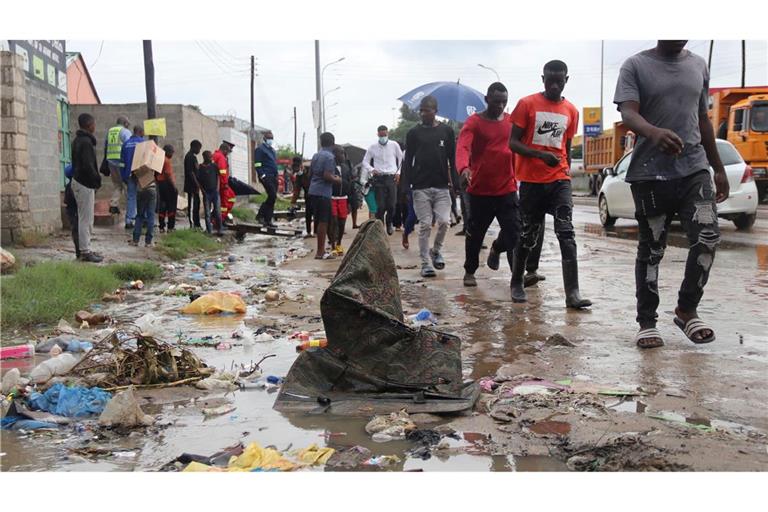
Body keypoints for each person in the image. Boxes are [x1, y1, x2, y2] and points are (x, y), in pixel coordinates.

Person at [614, 40, 729, 349]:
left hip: (694, 170)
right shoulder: (635, 65)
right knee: (652, 249)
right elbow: (628, 113)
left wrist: (717, 168)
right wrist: (653, 132)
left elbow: (703, 119)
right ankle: (647, 321)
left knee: (707, 239)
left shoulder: (698, 65)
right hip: (650, 173)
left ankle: (687, 309)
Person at [507, 60, 591, 309]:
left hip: (559, 180)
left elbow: (565, 145)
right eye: (550, 79)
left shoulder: (571, 111)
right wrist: (539, 155)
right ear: (542, 78)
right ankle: (516, 282)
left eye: (560, 80)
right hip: (532, 181)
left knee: (566, 233)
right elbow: (513, 142)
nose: (554, 84)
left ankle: (572, 293)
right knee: (528, 235)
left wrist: (563, 167)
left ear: (567, 79)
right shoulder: (527, 104)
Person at [456, 82, 520, 287]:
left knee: (514, 233)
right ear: (486, 99)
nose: (500, 106)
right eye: (496, 102)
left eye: (504, 102)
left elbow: (521, 147)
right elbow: (463, 146)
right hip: (480, 190)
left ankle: (515, 275)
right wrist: (464, 168)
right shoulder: (474, 122)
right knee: (475, 234)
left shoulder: (511, 123)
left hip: (507, 189)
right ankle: (470, 271)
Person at [401, 96, 458, 278]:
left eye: (427, 110)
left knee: (444, 222)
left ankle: (436, 250)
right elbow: (407, 160)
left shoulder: (447, 131)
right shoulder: (413, 133)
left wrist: (456, 184)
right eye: (422, 110)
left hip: (442, 186)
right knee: (425, 225)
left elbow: (453, 159)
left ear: (435, 111)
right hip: (420, 186)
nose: (423, 113)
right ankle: (425, 263)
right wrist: (405, 186)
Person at [70, 113, 103, 263]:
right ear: (89, 125)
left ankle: (85, 248)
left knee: (84, 218)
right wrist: (97, 180)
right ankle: (85, 251)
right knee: (86, 219)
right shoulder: (86, 143)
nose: (95, 126)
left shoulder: (78, 140)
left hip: (79, 182)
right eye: (94, 123)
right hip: (84, 183)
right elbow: (88, 166)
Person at [361, 125, 404, 235]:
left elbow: (401, 158)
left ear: (387, 133)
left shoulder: (394, 145)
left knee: (392, 205)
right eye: (381, 135)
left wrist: (398, 173)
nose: (383, 137)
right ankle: (381, 227)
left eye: (384, 135)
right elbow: (365, 161)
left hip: (391, 177)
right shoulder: (372, 147)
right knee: (380, 206)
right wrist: (372, 169)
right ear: (377, 134)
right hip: (379, 178)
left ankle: (389, 223)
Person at [308, 132, 342, 259]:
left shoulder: (316, 155)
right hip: (323, 192)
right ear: (333, 143)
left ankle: (322, 249)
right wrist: (337, 179)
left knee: (321, 220)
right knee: (323, 221)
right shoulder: (329, 157)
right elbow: (327, 176)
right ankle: (320, 252)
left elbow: (310, 174)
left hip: (314, 191)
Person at [103, 116, 131, 217]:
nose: (129, 125)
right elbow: (129, 146)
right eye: (128, 123)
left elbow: (106, 146)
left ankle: (113, 204)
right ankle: (131, 211)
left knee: (117, 185)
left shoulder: (110, 131)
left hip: (111, 161)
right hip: (121, 163)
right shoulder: (125, 132)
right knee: (128, 187)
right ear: (125, 123)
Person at [120, 126, 145, 229]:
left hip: (129, 175)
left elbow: (122, 163)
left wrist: (124, 176)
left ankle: (129, 221)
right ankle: (144, 220)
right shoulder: (143, 143)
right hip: (141, 174)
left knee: (131, 197)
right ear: (140, 132)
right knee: (144, 197)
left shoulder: (125, 144)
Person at [131, 154, 159, 247]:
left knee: (139, 216)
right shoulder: (152, 163)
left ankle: (135, 240)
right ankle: (148, 241)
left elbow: (134, 178)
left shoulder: (137, 165)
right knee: (151, 216)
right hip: (151, 190)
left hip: (141, 190)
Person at [329, 145, 353, 255]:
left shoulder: (346, 168)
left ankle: (339, 243)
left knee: (342, 222)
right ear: (335, 155)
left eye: (343, 153)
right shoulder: (330, 167)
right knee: (333, 221)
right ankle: (332, 245)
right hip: (332, 198)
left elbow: (350, 184)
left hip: (343, 198)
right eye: (341, 153)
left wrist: (349, 202)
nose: (343, 156)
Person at [254, 130, 278, 228]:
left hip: (274, 177)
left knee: (273, 198)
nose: (270, 140)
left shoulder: (272, 150)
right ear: (264, 139)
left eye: (271, 138)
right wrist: (262, 175)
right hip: (266, 176)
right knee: (272, 195)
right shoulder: (260, 149)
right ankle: (260, 215)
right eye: (268, 138)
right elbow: (257, 164)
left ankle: (268, 220)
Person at [196, 150, 223, 236]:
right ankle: (209, 231)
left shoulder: (214, 166)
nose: (211, 158)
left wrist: (218, 188)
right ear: (204, 157)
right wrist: (202, 190)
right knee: (207, 213)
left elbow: (218, 177)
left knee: (218, 212)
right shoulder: (200, 167)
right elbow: (198, 181)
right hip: (206, 193)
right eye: (209, 156)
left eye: (211, 156)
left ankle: (220, 229)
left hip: (215, 192)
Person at [289, 156, 314, 237]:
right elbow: (296, 190)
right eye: (295, 168)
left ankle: (317, 232)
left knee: (317, 214)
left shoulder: (310, 169)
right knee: (308, 213)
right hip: (308, 195)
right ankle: (309, 232)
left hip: (317, 193)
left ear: (301, 165)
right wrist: (293, 203)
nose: (296, 170)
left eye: (298, 167)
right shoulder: (299, 176)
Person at [156, 144, 178, 233]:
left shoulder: (159, 159)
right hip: (167, 185)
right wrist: (174, 187)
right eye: (172, 152)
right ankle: (170, 227)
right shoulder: (167, 161)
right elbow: (168, 175)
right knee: (171, 206)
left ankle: (161, 226)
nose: (172, 154)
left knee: (162, 205)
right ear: (168, 152)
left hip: (160, 184)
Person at [212, 142, 235, 225]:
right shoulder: (221, 157)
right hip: (222, 184)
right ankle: (221, 219)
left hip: (216, 183)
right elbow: (222, 172)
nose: (228, 153)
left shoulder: (215, 155)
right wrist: (224, 183)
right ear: (224, 150)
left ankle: (218, 217)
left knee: (229, 198)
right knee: (225, 202)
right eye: (228, 151)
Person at [184, 140, 203, 229]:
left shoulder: (193, 157)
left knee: (197, 204)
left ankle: (197, 224)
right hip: (191, 186)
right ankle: (192, 225)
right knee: (192, 206)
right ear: (194, 147)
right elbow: (190, 172)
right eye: (199, 148)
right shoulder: (189, 157)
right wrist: (196, 184)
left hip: (195, 186)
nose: (199, 151)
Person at [63, 163, 79, 258]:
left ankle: (79, 250)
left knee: (75, 230)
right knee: (77, 230)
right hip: (74, 212)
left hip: (71, 211)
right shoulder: (72, 186)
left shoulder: (68, 185)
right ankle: (79, 250)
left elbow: (66, 201)